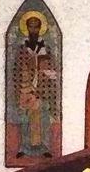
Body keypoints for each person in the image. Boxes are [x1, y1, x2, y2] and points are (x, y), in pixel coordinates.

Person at [12, 11, 58, 160]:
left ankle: (44, 147)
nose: (33, 30)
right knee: (26, 119)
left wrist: (42, 68)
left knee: (42, 118)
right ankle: (24, 147)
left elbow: (52, 70)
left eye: (36, 27)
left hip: (42, 90)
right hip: (25, 89)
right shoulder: (22, 49)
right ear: (27, 29)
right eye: (30, 27)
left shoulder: (46, 48)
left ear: (39, 29)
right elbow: (16, 71)